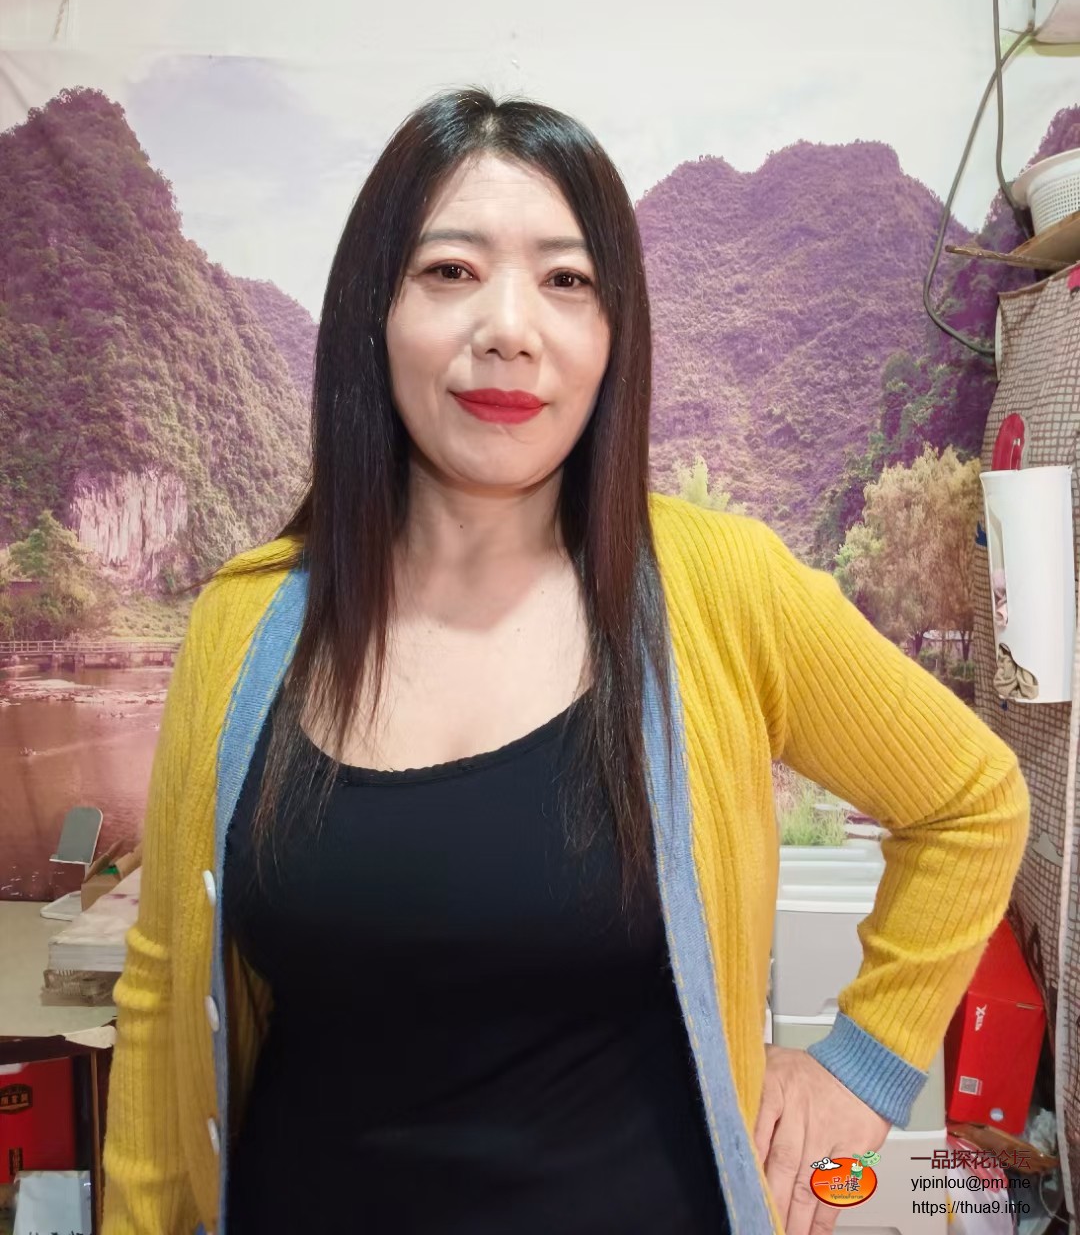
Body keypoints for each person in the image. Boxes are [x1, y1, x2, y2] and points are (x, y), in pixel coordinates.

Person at [101, 88, 1029, 1235]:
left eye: (567, 280)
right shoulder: (242, 629)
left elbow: (972, 801)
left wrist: (859, 1072)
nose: (509, 327)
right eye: (450, 271)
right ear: (374, 312)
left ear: (613, 336)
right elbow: (163, 993)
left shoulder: (722, 586)